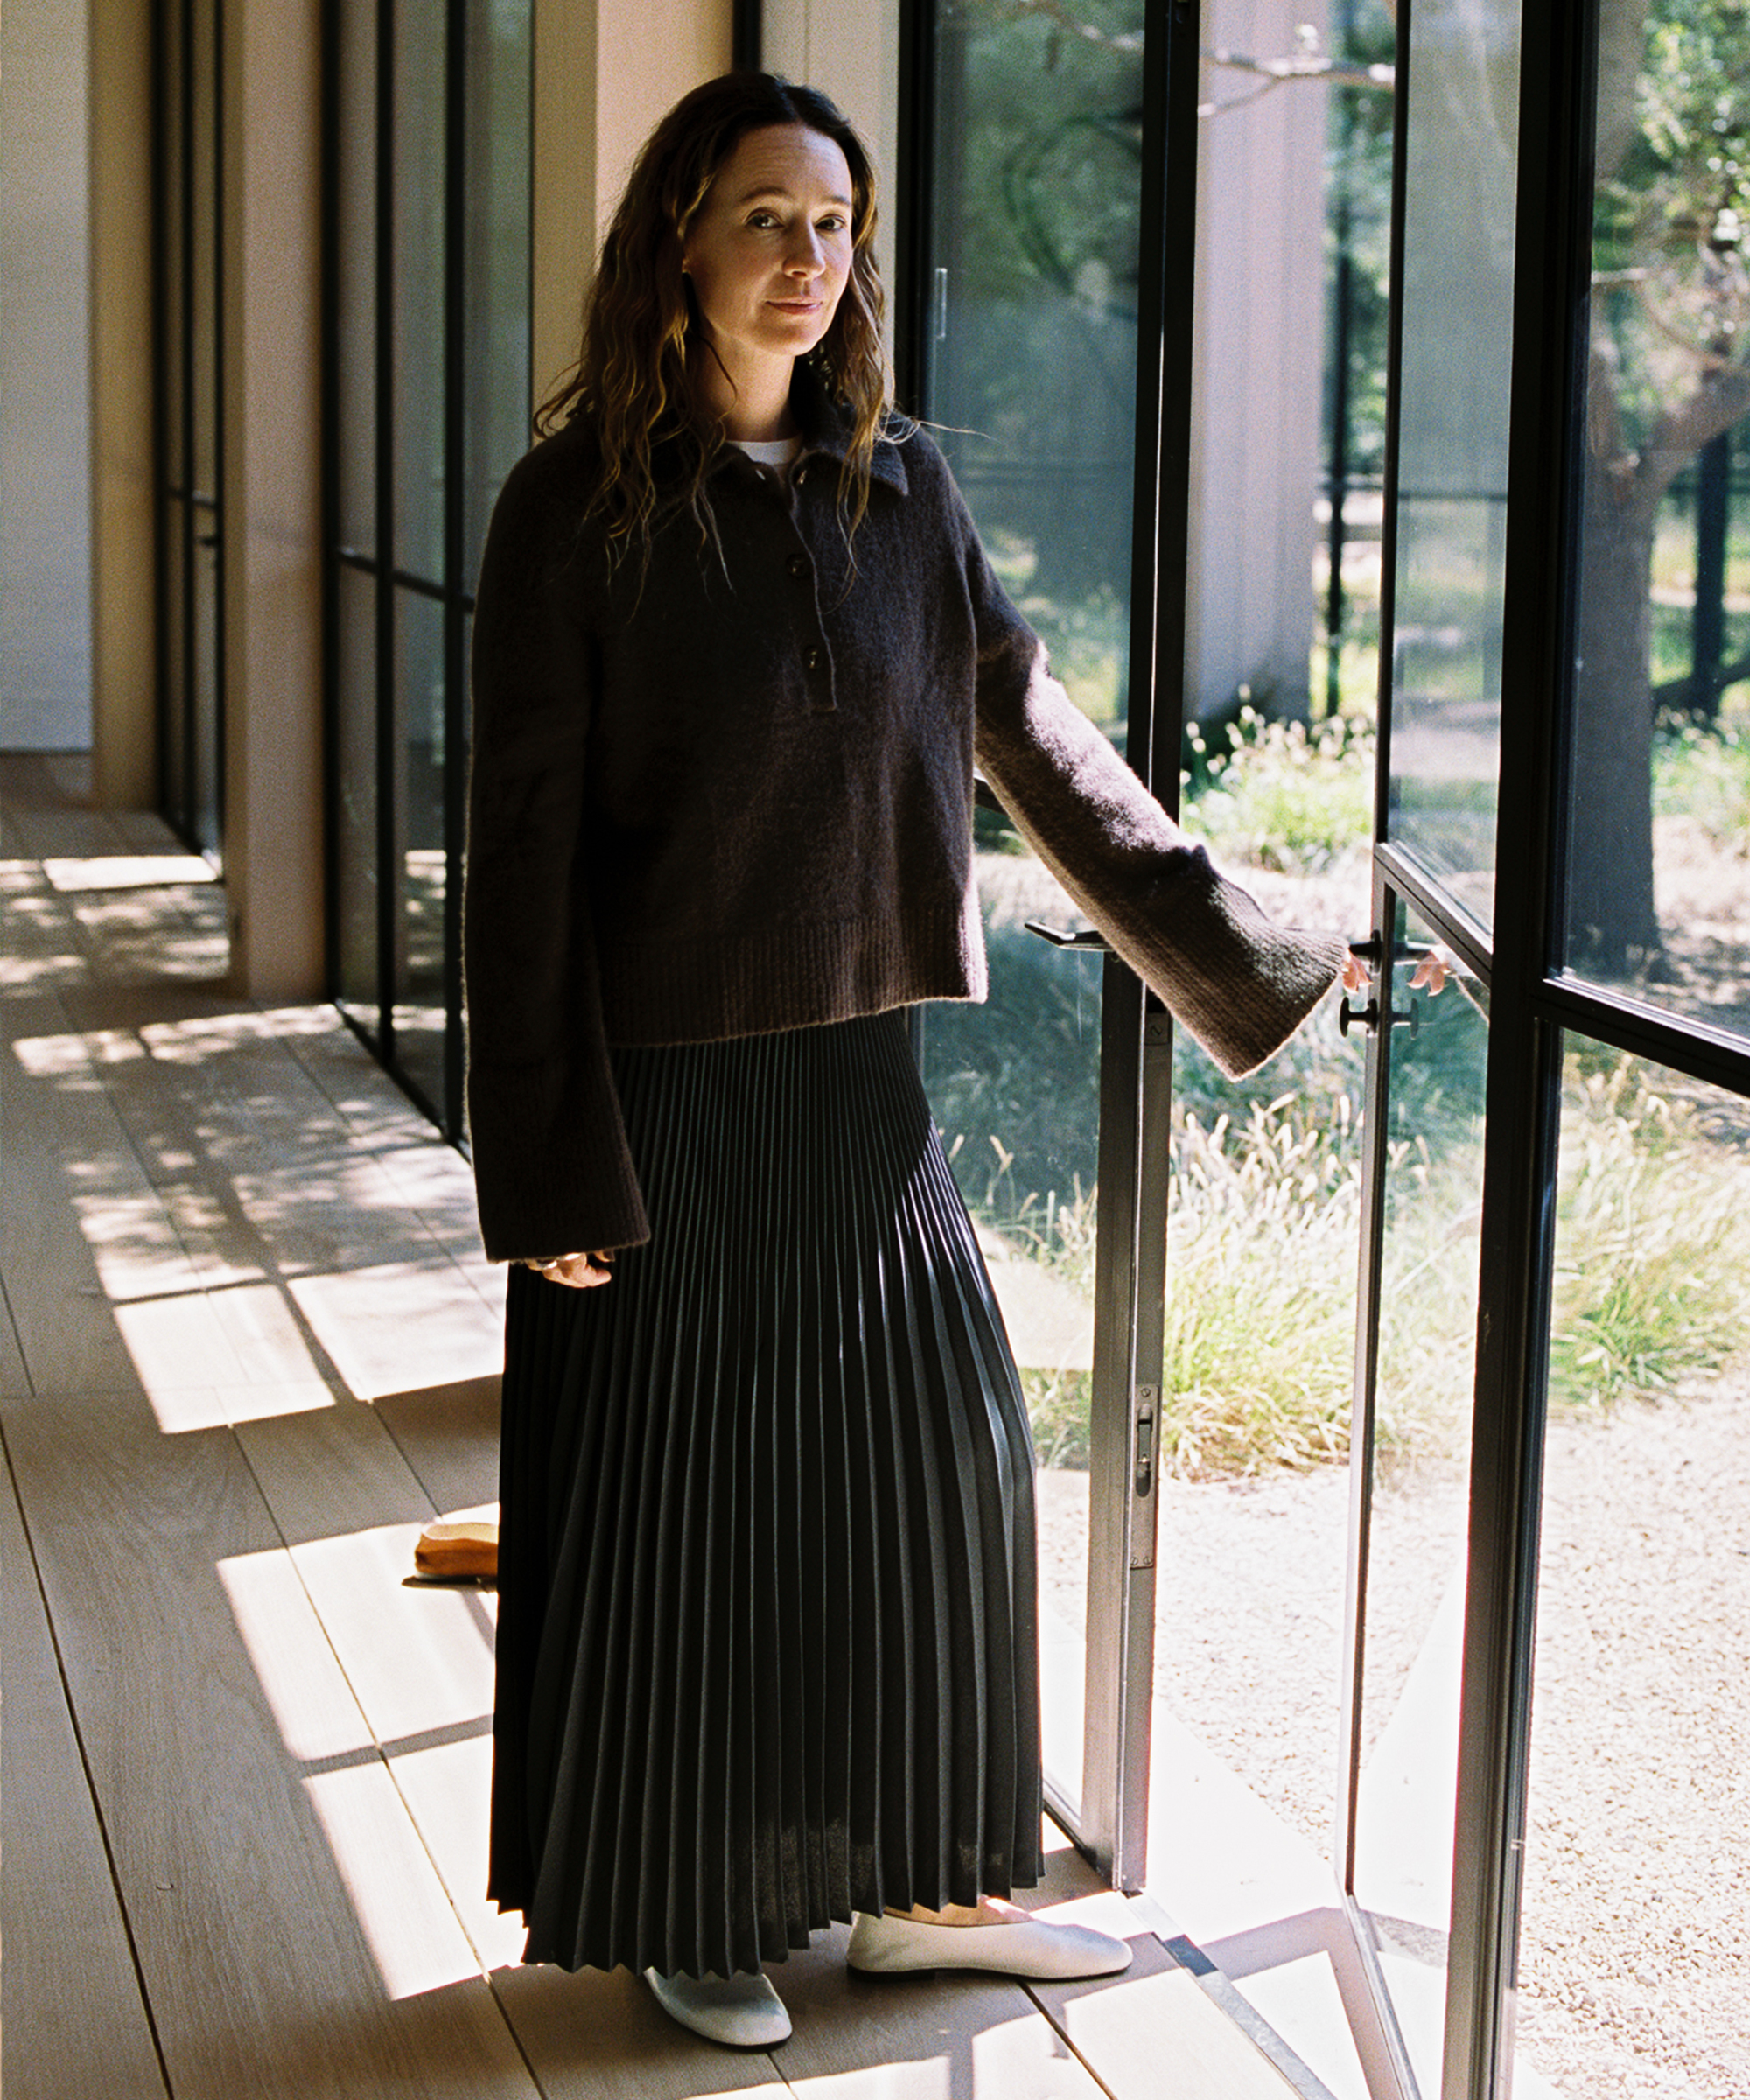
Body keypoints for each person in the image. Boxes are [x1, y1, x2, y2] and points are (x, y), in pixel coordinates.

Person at [464, 71, 1348, 2050]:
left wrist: (1270, 945)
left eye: (836, 225)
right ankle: (697, 1907)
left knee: (937, 1469)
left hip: (865, 1088)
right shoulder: (570, 511)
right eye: (766, 217)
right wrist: (540, 1168)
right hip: (661, 1099)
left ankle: (927, 1893)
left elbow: (1038, 745)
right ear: (678, 235)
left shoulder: (899, 487)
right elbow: (517, 858)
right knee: (679, 1518)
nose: (808, 260)